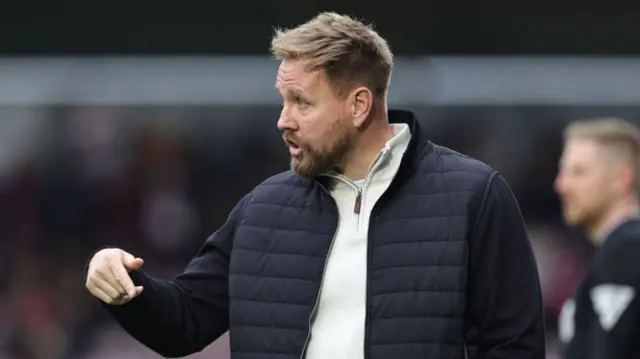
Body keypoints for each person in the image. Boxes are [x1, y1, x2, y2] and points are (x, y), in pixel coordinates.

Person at [85, 12, 545, 359]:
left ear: (359, 105)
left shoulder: (474, 197)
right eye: (283, 100)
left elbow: (513, 347)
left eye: (302, 102)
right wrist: (125, 286)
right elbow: (184, 322)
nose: (283, 120)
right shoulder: (262, 207)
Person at [555, 118, 640, 359]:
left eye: (578, 172)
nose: (561, 185)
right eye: (562, 171)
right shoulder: (615, 250)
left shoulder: (626, 250)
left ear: (622, 179)